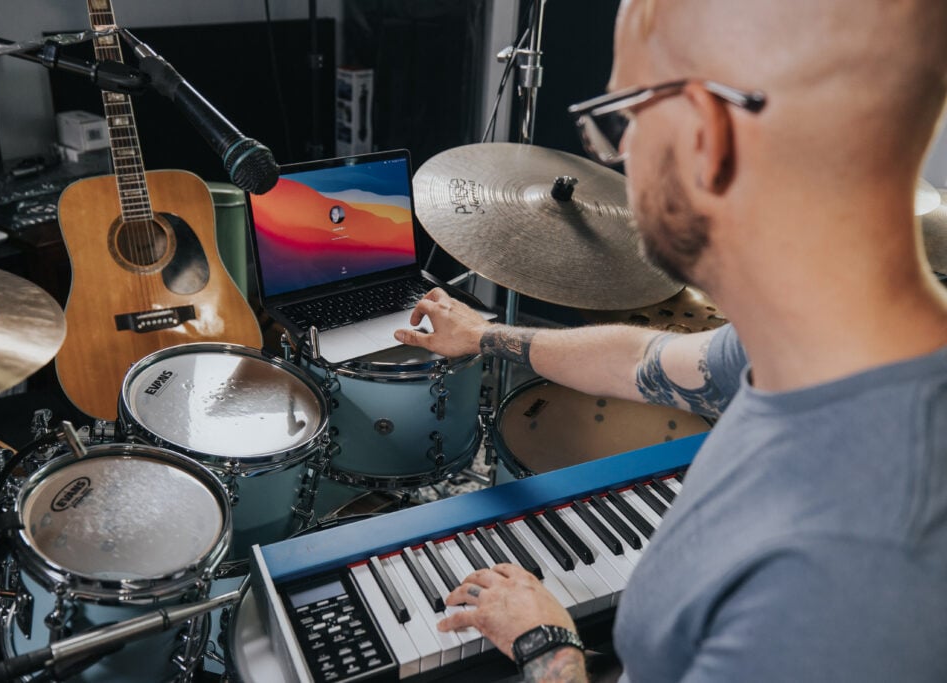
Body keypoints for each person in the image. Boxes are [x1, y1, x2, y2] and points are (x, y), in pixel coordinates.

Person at [394, 0, 947, 681]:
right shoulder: (813, 341)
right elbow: (644, 360)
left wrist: (550, 647)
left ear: (704, 137)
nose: (619, 157)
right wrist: (488, 335)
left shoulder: (842, 574)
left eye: (625, 118)